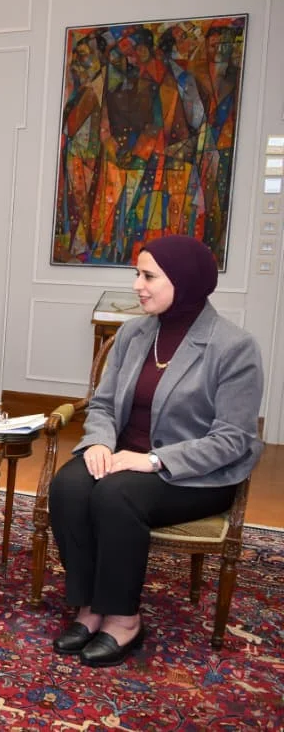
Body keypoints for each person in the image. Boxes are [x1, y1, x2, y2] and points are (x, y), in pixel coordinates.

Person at [49, 234, 263, 667]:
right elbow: (103, 404)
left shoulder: (234, 347)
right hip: (123, 455)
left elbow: (233, 440)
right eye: (137, 274)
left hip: (196, 474)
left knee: (115, 495)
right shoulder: (133, 333)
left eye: (148, 276)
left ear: (183, 281)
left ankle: (123, 618)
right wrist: (99, 442)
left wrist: (152, 460)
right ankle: (89, 606)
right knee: (69, 485)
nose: (137, 285)